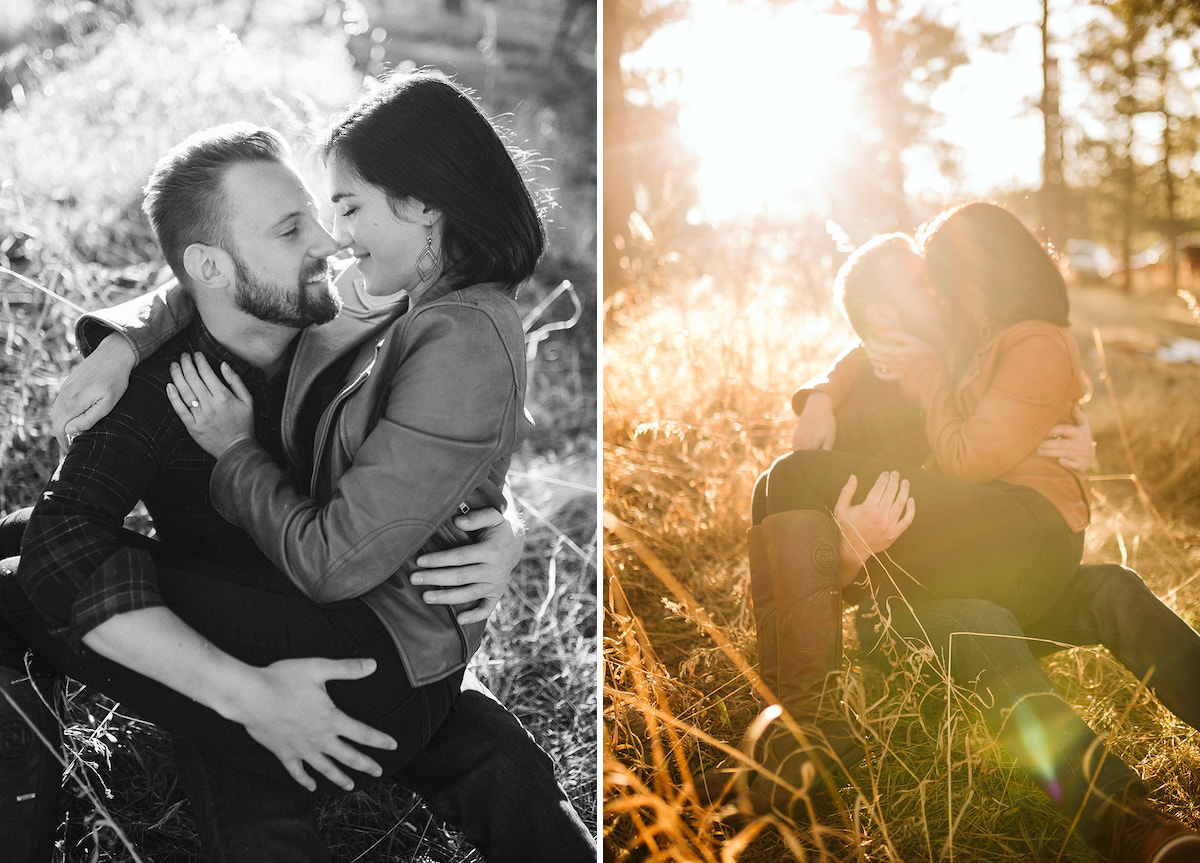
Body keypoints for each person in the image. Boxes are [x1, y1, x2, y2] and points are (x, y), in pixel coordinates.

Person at [2, 74, 593, 863]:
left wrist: (498, 522)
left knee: (503, 762)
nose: (330, 241)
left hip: (363, 620)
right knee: (256, 828)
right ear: (210, 268)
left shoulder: (350, 319)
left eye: (330, 211)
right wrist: (124, 339)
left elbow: (442, 429)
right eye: (296, 226)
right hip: (230, 636)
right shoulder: (166, 389)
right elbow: (65, 538)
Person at [737, 205, 1200, 861]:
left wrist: (1060, 436)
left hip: (996, 567)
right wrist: (847, 549)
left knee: (1111, 589)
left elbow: (1012, 409)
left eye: (937, 278)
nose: (941, 288)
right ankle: (1130, 823)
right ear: (887, 320)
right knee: (794, 486)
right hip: (907, 622)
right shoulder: (863, 404)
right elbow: (817, 580)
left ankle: (802, 737)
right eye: (922, 283)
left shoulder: (962, 359)